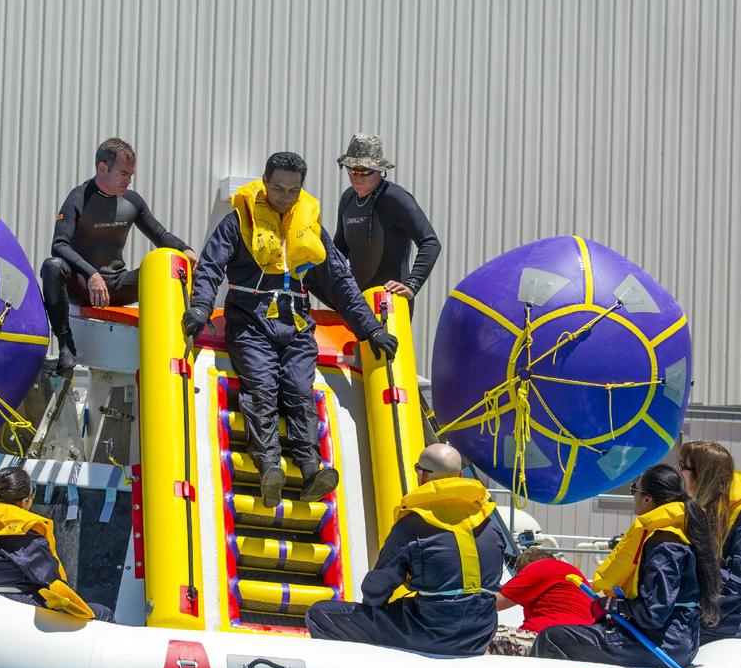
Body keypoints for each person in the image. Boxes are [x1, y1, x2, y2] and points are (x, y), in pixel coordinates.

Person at [182, 151, 398, 505]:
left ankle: (311, 467)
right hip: (250, 323)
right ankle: (268, 463)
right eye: (279, 188)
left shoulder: (309, 228)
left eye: (293, 190)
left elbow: (340, 282)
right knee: (263, 386)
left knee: (300, 388)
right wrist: (201, 305)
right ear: (265, 183)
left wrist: (370, 329)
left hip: (295, 325)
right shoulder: (238, 221)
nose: (285, 197)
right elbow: (209, 267)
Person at [303, 443, 508, 656]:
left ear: (422, 476)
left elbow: (378, 588)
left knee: (320, 614)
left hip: (431, 631)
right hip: (480, 634)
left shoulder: (412, 525)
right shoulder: (490, 526)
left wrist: (373, 608)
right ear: (460, 475)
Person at [531, 464, 721, 667]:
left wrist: (611, 605)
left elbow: (653, 613)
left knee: (551, 637)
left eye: (634, 490)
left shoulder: (665, 546)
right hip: (675, 638)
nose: (633, 496)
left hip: (662, 642)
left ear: (648, 499)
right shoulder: (676, 536)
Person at [41, 138, 197, 373]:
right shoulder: (79, 197)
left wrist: (185, 249)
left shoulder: (132, 201)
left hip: (116, 285)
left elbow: (160, 235)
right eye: (124, 173)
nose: (129, 179)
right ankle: (65, 346)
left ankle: (174, 344)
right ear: (102, 168)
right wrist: (91, 273)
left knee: (166, 267)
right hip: (83, 286)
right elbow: (59, 245)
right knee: (52, 266)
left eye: (131, 174)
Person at [0, 466, 114, 621]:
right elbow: (51, 583)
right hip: (14, 606)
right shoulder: (25, 535)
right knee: (102, 613)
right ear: (24, 501)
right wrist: (80, 610)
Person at [333, 133, 441, 299]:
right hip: (357, 304)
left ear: (379, 170)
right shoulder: (348, 198)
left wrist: (412, 284)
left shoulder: (395, 198)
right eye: (352, 169)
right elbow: (339, 250)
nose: (357, 177)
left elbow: (430, 242)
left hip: (390, 302)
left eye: (364, 171)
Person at [680, 440, 741, 642]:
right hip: (687, 616)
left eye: (683, 466)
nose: (677, 470)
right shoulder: (689, 513)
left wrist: (691, 606)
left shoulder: (740, 525)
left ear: (703, 475)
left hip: (721, 624)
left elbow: (737, 585)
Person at [489, 547, 597, 656]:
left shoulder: (541, 567)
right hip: (582, 646)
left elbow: (492, 603)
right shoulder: (571, 574)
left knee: (483, 636)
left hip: (547, 641)